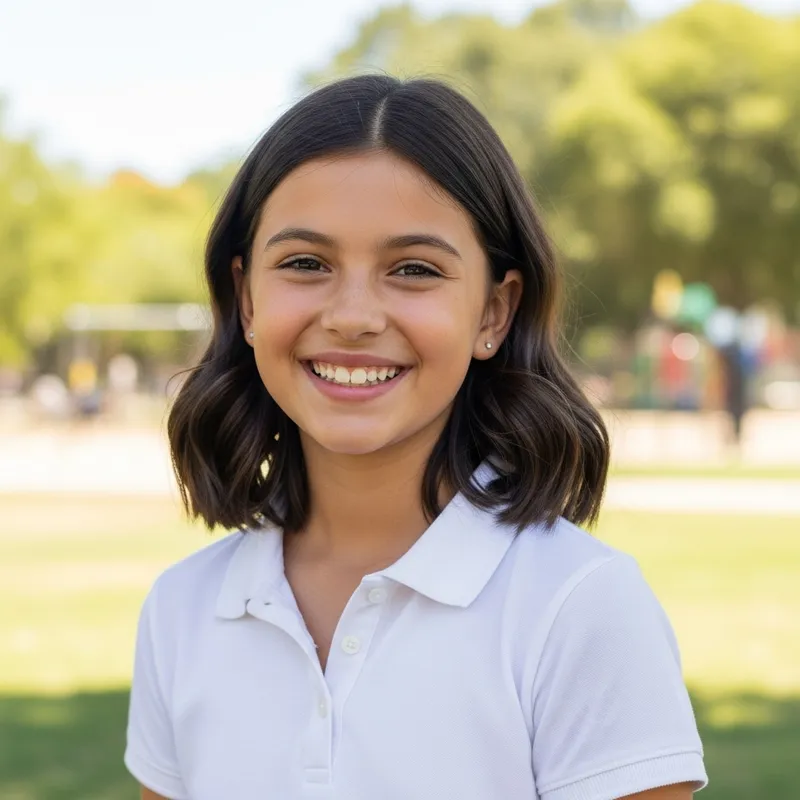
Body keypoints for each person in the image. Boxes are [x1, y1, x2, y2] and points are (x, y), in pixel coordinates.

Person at [125, 75, 708, 800]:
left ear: (494, 312)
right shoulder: (182, 609)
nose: (353, 316)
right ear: (246, 298)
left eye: (413, 270)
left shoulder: (579, 606)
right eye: (306, 263)